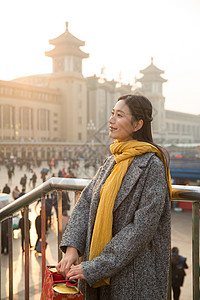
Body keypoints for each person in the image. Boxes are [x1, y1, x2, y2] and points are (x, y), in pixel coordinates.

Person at [56, 94, 172, 300]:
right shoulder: (113, 161)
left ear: (138, 124)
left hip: (134, 275)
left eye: (119, 115)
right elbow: (86, 202)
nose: (111, 120)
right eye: (112, 114)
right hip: (99, 268)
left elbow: (141, 228)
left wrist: (97, 267)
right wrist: (72, 248)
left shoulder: (152, 166)